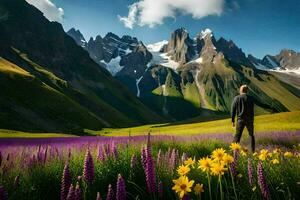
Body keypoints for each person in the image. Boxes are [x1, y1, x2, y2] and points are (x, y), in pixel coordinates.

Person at [231, 85, 255, 152]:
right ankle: (253, 152)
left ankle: (233, 152)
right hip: (250, 120)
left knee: (237, 136)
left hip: (240, 120)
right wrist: (270, 107)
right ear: (247, 90)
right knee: (251, 135)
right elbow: (260, 104)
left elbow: (233, 109)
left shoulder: (237, 98)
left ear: (241, 90)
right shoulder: (251, 98)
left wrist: (233, 120)